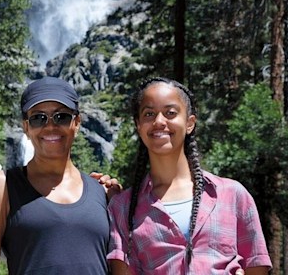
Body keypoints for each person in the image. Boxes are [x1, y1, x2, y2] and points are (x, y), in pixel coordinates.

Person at [107, 77, 272, 275]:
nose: (159, 121)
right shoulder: (122, 208)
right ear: (138, 125)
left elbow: (256, 267)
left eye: (170, 113)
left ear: (189, 123)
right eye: (149, 114)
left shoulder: (233, 195)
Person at [0, 76, 111, 274]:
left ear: (77, 122)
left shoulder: (101, 192)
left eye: (61, 117)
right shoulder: (2, 186)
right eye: (38, 118)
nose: (50, 126)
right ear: (26, 127)